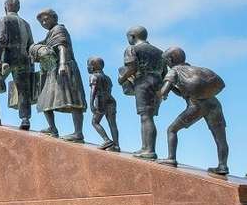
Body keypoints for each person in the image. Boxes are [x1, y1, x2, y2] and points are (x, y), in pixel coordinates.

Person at [157, 46, 229, 175]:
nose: (166, 64)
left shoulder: (174, 70)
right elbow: (184, 93)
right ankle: (223, 166)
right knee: (220, 138)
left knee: (171, 130)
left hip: (196, 106)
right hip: (214, 104)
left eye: (166, 61)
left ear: (171, 59)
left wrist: (161, 89)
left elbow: (163, 92)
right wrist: (174, 88)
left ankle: (171, 158)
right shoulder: (193, 69)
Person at [33, 8, 85, 141]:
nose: (44, 22)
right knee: (45, 100)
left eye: (46, 19)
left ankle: (78, 133)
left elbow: (62, 47)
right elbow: (45, 45)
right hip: (52, 70)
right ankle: (52, 128)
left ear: (54, 18)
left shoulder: (59, 29)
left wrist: (62, 64)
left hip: (65, 66)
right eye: (41, 21)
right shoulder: (50, 34)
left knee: (73, 99)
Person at [118, 26, 166, 160]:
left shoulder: (132, 49)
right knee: (149, 116)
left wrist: (121, 79)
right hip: (157, 84)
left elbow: (131, 67)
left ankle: (149, 150)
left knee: (145, 117)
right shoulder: (160, 52)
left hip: (143, 82)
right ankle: (146, 147)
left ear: (132, 36)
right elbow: (165, 73)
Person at [0, 0, 34, 130]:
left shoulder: (4, 20)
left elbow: (0, 40)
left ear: (5, 7)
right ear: (18, 8)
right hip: (24, 61)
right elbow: (31, 45)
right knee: (23, 92)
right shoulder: (26, 24)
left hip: (7, 60)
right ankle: (25, 119)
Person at [87, 57, 119, 151]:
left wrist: (91, 103)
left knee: (95, 122)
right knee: (112, 123)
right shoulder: (108, 78)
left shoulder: (94, 76)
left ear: (93, 67)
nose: (88, 67)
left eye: (88, 65)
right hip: (111, 100)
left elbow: (93, 91)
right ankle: (116, 146)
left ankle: (107, 140)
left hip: (101, 100)